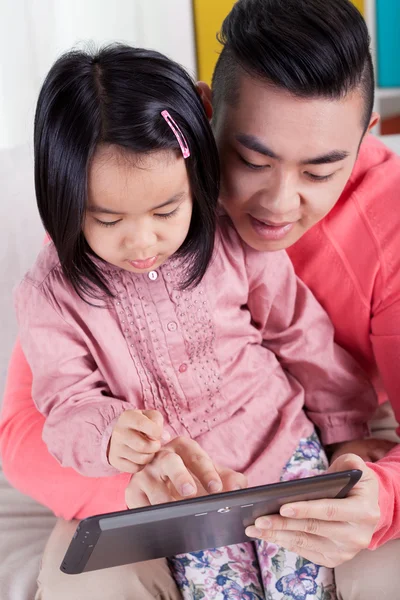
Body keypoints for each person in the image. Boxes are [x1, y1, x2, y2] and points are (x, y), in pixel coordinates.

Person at [1, 0, 400, 598]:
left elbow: (299, 333)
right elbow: (42, 418)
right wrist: (132, 477)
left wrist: (370, 472)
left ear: (363, 139)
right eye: (252, 159)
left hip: (301, 440)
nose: (279, 204)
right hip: (173, 483)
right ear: (205, 116)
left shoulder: (377, 225)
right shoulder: (91, 248)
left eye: (319, 171)